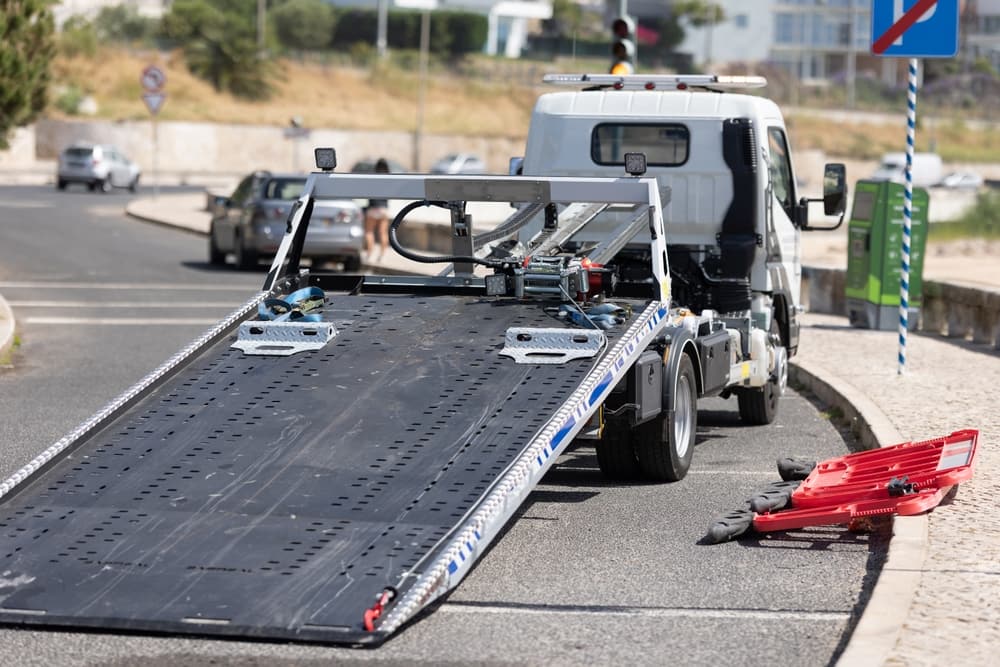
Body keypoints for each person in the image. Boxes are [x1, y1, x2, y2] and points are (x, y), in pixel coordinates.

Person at [364, 158, 391, 262]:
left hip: (373, 208)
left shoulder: (372, 177)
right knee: (383, 233)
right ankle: (382, 256)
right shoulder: (389, 178)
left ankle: (369, 254)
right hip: (383, 208)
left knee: (369, 232)